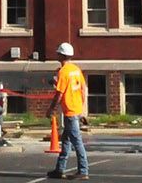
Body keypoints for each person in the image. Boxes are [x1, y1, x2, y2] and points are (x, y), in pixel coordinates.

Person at [49, 41, 89, 180]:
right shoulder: (76, 69)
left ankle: (83, 170)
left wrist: (51, 109)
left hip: (70, 111)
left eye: (58, 53)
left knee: (76, 141)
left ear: (61, 55)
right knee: (66, 141)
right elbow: (83, 88)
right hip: (76, 109)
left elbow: (59, 94)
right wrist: (83, 108)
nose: (56, 54)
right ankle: (59, 169)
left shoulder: (63, 72)